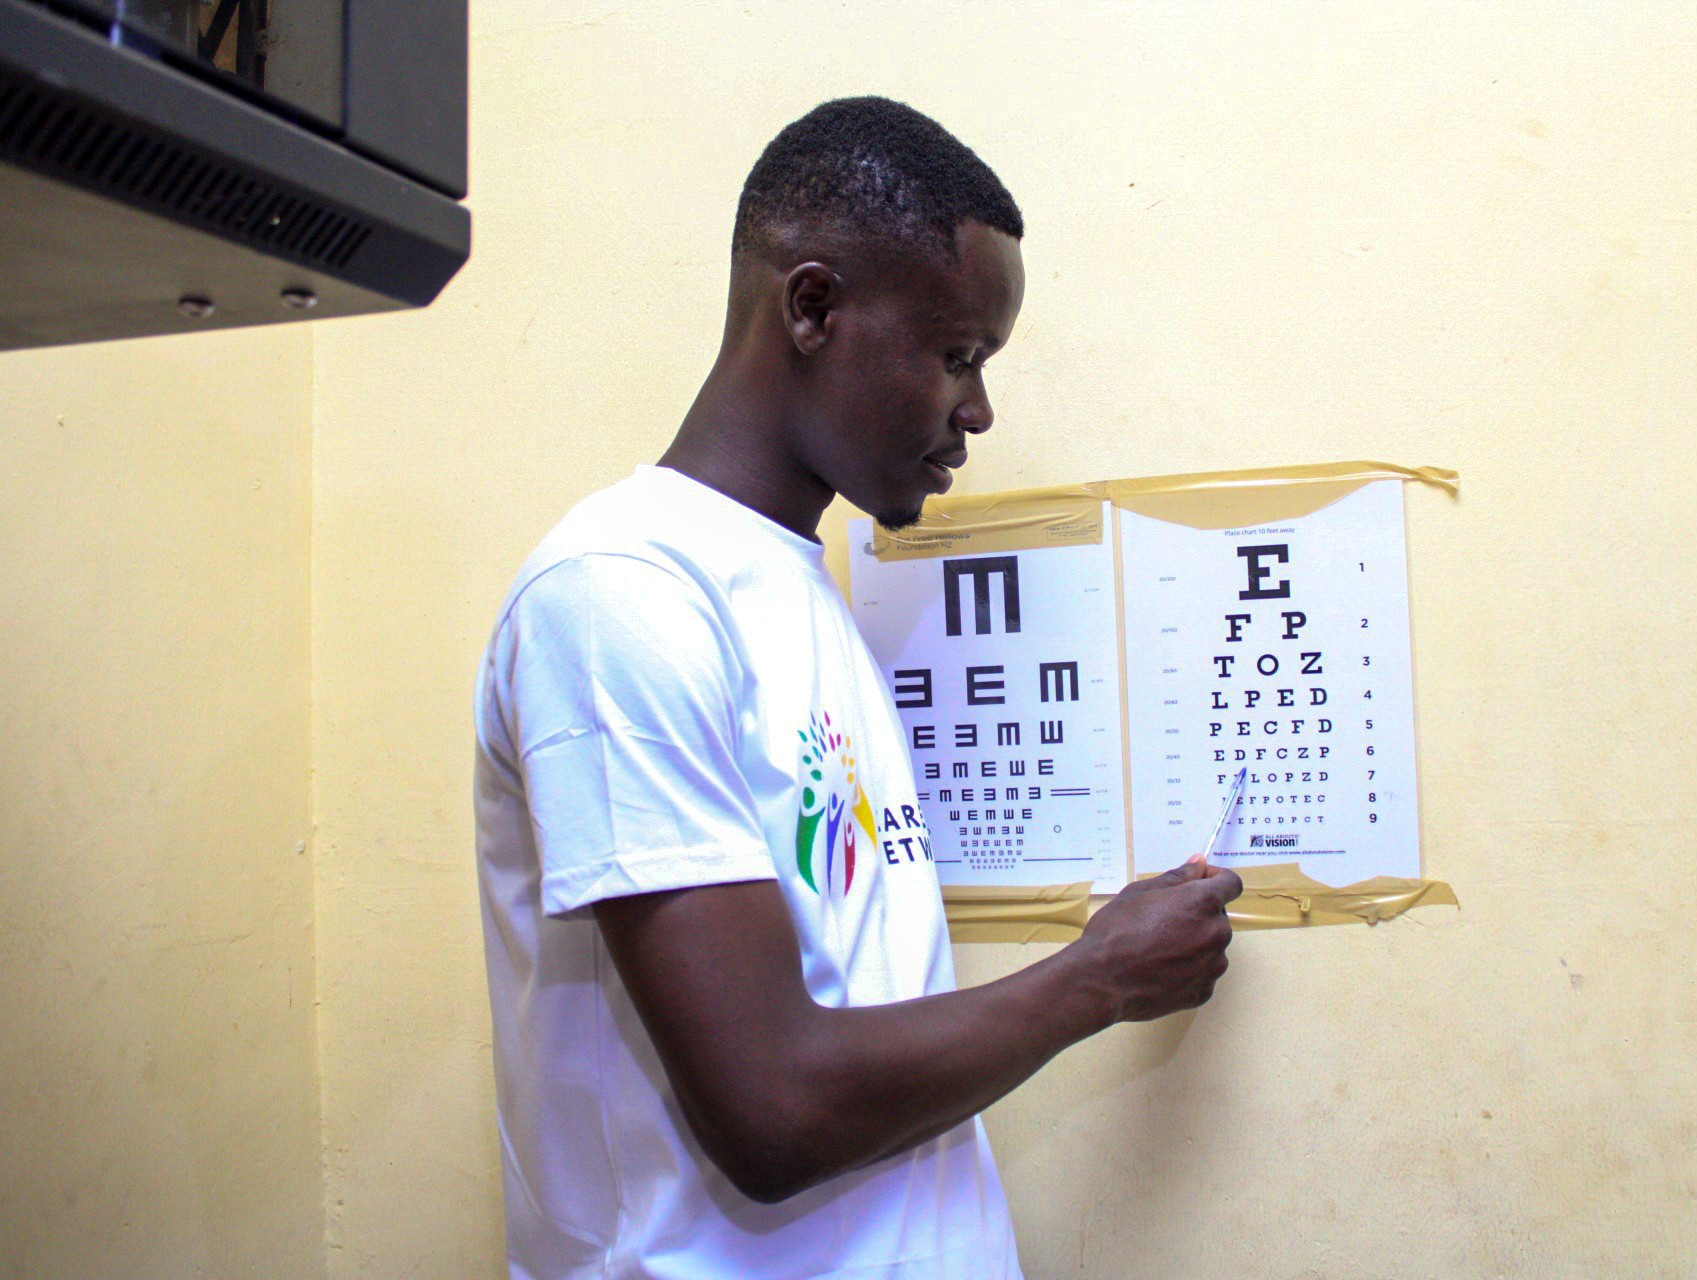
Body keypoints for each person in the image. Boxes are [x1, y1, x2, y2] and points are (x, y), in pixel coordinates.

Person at [472, 96, 1243, 1280]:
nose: (977, 409)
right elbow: (772, 1107)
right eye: (956, 355)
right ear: (814, 306)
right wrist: (1099, 972)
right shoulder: (617, 594)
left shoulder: (796, 586)